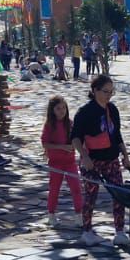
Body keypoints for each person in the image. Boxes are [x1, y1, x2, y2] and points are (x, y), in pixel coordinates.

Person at [72, 74, 130, 247]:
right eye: (106, 91)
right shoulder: (85, 112)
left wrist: (125, 156)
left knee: (119, 194)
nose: (109, 95)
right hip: (92, 161)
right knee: (90, 195)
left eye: (111, 92)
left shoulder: (112, 110)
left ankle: (120, 231)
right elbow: (75, 137)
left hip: (111, 159)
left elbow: (117, 135)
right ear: (95, 91)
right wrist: (84, 156)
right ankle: (87, 231)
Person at [41, 95, 82, 226]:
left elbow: (77, 139)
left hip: (70, 162)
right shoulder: (49, 125)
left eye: (64, 108)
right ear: (52, 110)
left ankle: (79, 215)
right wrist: (61, 147)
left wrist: (75, 146)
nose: (62, 111)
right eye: (58, 108)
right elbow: (45, 143)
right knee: (54, 189)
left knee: (76, 188)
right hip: (55, 163)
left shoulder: (70, 123)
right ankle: (51, 214)